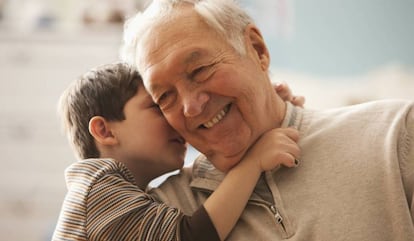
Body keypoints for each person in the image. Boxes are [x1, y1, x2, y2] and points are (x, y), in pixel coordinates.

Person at [120, 0, 414, 240]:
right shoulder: (160, 213)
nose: (191, 107)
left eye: (199, 70)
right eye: (165, 97)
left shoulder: (395, 136)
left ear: (258, 50)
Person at [52, 62, 301, 241]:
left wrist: (265, 113)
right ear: (105, 131)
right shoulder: (97, 190)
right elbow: (189, 236)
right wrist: (254, 160)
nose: (177, 117)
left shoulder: (123, 192)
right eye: (158, 107)